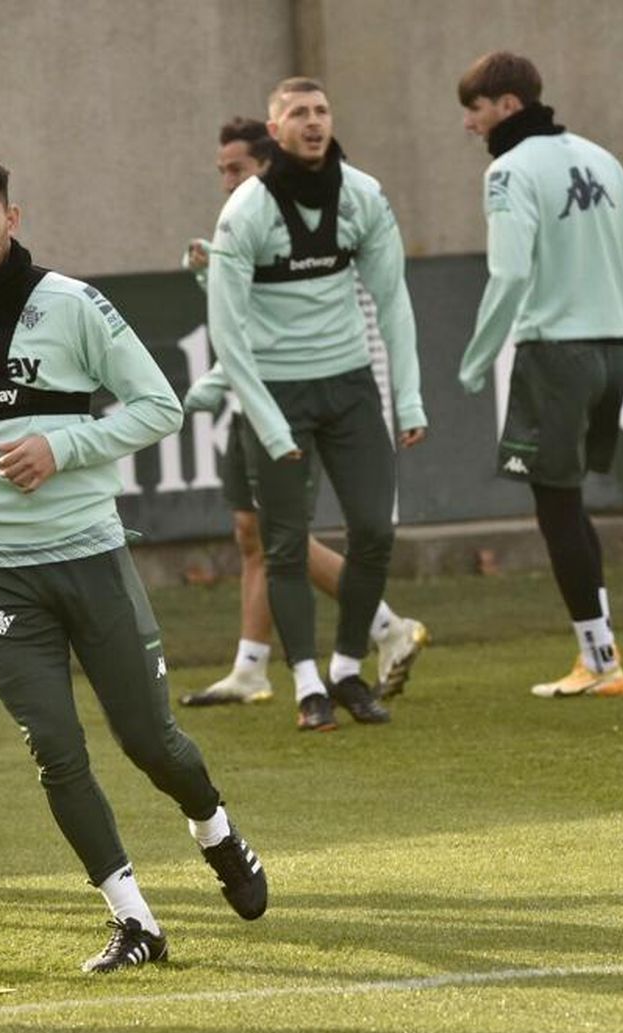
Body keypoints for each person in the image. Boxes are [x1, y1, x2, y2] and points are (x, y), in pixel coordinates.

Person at [0, 153, 266, 973]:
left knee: (149, 741)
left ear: (13, 219)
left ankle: (216, 830)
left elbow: (159, 405)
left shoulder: (74, 303)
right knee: (55, 749)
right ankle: (135, 921)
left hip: (90, 555)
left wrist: (64, 444)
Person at [456, 52, 623, 699]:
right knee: (569, 501)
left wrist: (477, 356)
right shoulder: (602, 158)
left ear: (506, 105)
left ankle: (600, 661)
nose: (469, 126)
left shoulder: (508, 170)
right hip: (614, 353)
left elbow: (509, 273)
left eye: (473, 110)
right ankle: (601, 649)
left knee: (556, 508)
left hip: (555, 355)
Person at [180, 116, 429, 709]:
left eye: (236, 168)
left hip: (284, 399)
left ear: (267, 161)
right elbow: (245, 319)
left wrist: (214, 382)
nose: (227, 183)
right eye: (220, 172)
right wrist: (207, 276)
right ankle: (252, 666)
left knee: (274, 536)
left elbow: (267, 328)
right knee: (252, 534)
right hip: (257, 397)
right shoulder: (245, 222)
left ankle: (383, 627)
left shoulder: (317, 208)